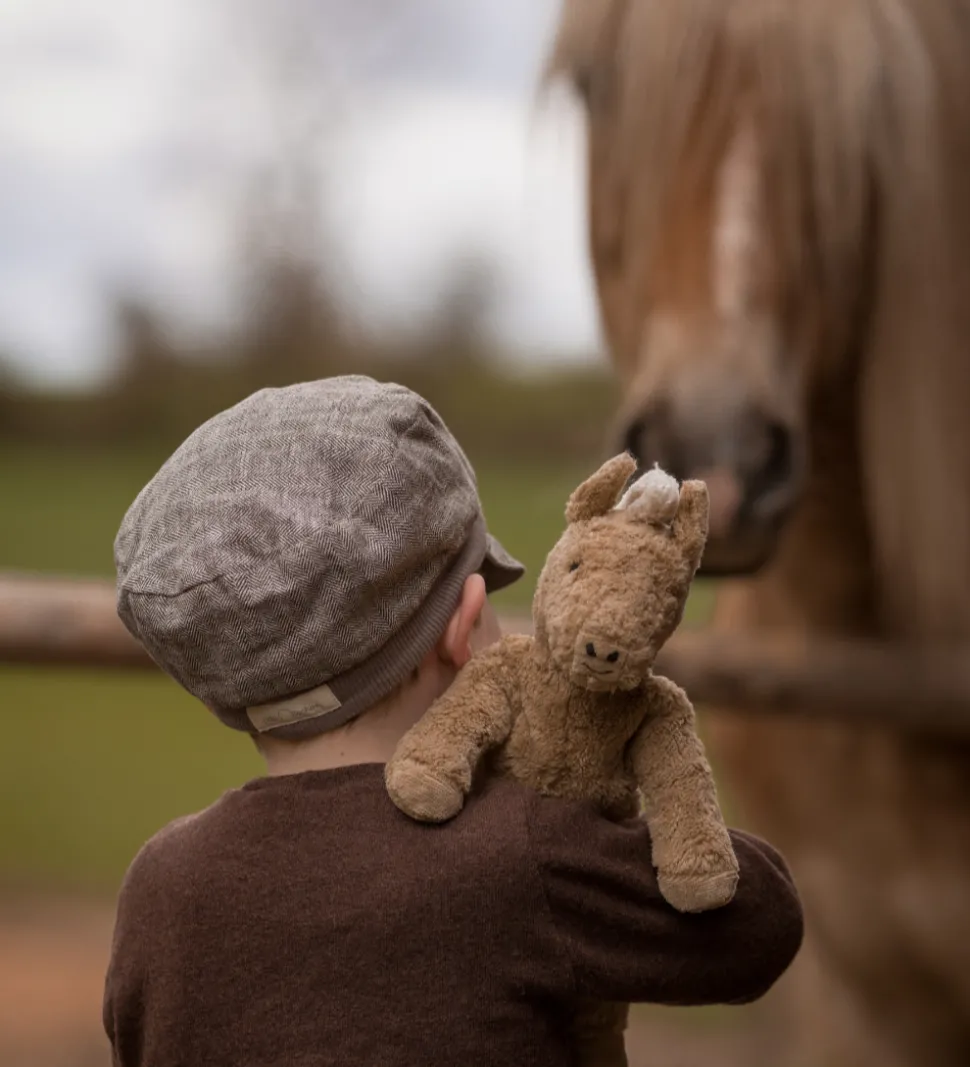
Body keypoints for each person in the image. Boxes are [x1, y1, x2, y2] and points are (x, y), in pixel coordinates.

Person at [103, 375, 803, 1067]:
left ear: (212, 690)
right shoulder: (530, 855)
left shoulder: (159, 888)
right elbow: (761, 923)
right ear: (465, 628)